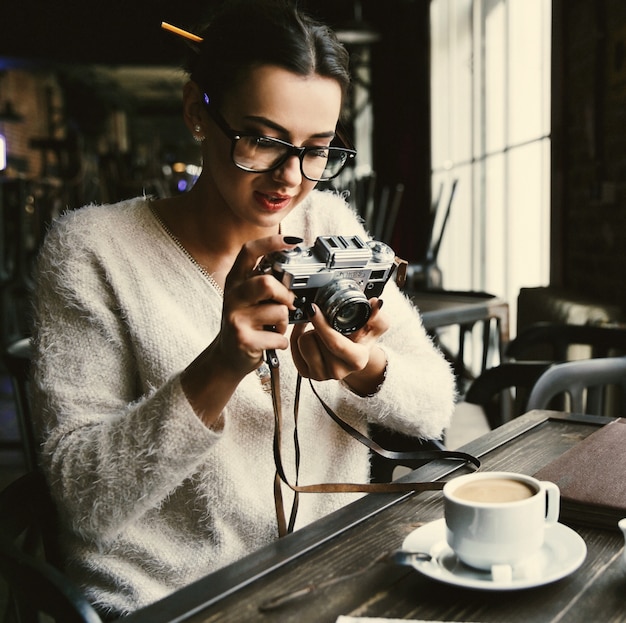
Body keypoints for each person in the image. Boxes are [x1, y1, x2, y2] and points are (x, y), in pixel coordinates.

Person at [31, 0, 456, 617]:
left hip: (327, 574)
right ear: (196, 112)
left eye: (318, 149)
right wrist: (220, 367)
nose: (291, 178)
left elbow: (436, 401)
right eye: (263, 139)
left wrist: (363, 365)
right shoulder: (92, 250)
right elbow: (83, 498)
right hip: (172, 598)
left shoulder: (326, 223)